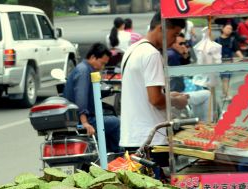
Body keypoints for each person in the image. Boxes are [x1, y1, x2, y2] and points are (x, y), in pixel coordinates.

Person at [119, 12, 188, 157]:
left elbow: (144, 94)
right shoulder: (152, 54)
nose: (174, 40)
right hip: (151, 138)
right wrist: (177, 101)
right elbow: (155, 100)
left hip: (132, 137)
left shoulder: (133, 50)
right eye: (174, 34)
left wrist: (168, 95)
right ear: (161, 29)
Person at [63, 42, 121, 153]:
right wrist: (85, 122)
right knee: (116, 122)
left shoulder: (83, 69)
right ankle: (118, 154)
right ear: (93, 57)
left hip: (77, 118)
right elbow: (81, 97)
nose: (102, 67)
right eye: (102, 63)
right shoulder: (84, 71)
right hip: (81, 120)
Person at [167, 33, 211, 121]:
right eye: (180, 44)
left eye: (184, 43)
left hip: (179, 89)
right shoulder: (172, 55)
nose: (183, 46)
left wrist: (185, 54)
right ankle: (204, 123)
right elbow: (185, 69)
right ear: (172, 44)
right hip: (177, 91)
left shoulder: (175, 54)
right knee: (207, 94)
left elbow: (186, 65)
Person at [215, 24, 244, 101]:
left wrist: (240, 58)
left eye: (231, 29)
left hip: (228, 63)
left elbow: (237, 50)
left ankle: (226, 94)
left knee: (226, 79)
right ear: (223, 28)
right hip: (219, 62)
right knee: (224, 79)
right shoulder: (217, 40)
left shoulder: (232, 40)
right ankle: (225, 94)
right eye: (227, 28)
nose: (229, 30)